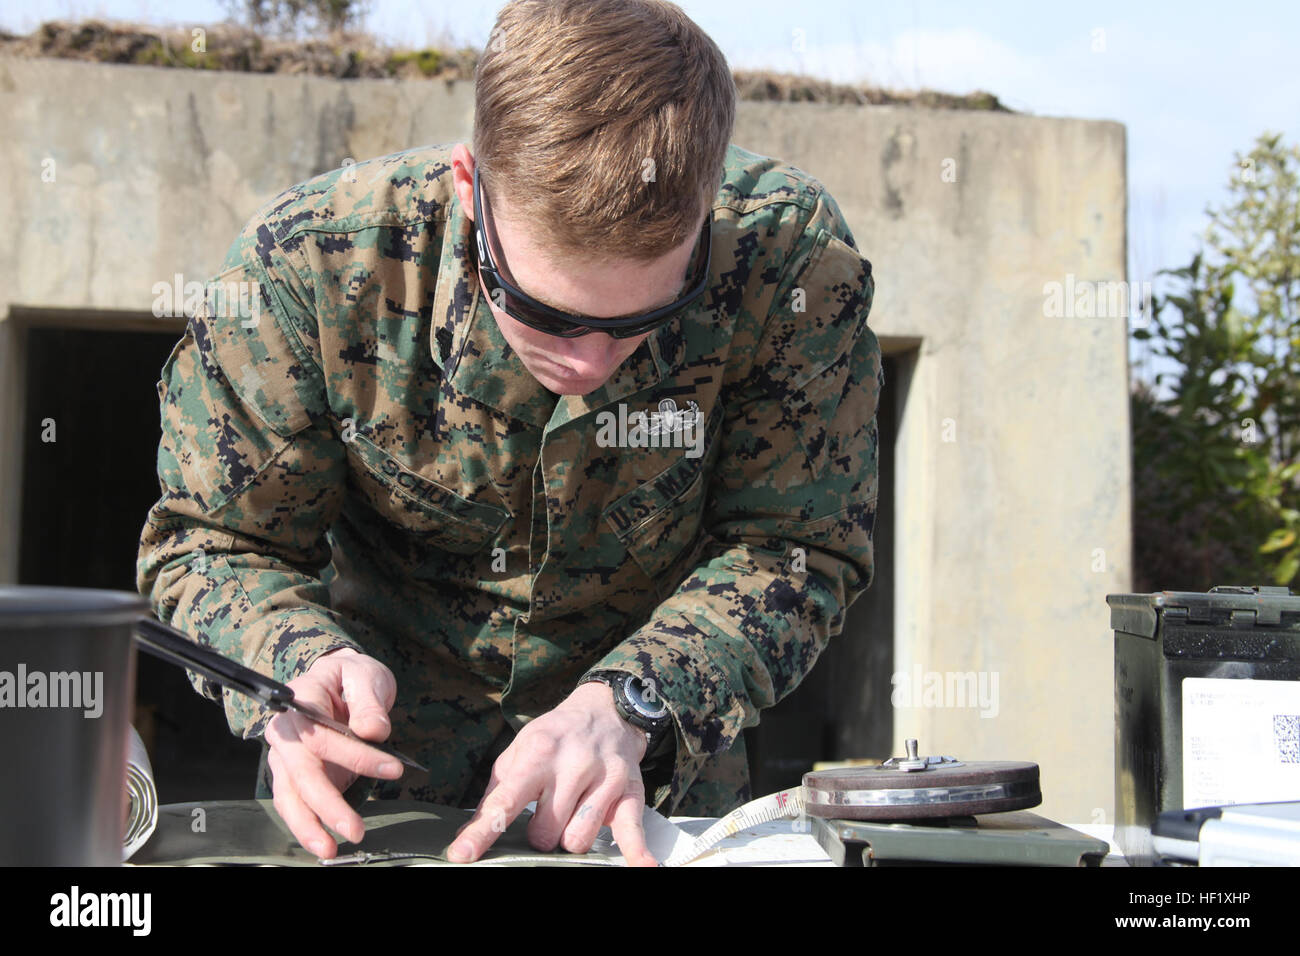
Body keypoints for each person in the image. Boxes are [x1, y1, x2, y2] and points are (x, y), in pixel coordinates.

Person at [136, 0, 881, 867]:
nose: (592, 361)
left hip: (643, 806)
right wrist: (293, 659)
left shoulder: (789, 266)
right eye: (542, 311)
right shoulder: (313, 268)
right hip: (366, 811)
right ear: (467, 186)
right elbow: (213, 540)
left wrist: (638, 699)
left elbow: (797, 547)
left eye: (647, 315)